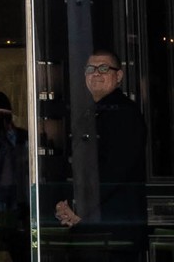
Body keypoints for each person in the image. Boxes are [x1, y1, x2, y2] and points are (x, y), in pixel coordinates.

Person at [55, 53, 148, 256]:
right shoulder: (90, 113)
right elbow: (73, 165)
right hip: (92, 226)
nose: (96, 73)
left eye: (104, 68)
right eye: (90, 69)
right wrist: (65, 204)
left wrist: (80, 209)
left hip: (114, 229)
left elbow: (115, 170)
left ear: (119, 76)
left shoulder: (124, 113)